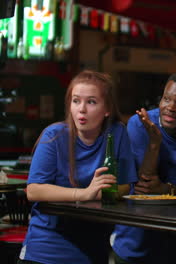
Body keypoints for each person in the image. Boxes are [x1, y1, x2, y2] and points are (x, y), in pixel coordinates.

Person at [19, 70, 137, 264]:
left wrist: (103, 191)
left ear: (107, 109)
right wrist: (84, 193)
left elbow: (125, 186)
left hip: (94, 247)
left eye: (91, 102)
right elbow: (34, 190)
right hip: (47, 248)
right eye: (76, 101)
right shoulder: (54, 135)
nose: (81, 109)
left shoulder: (116, 133)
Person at [111, 71, 176, 264]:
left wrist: (165, 189)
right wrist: (154, 142)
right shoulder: (140, 123)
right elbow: (144, 186)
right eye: (166, 99)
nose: (170, 107)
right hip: (138, 239)